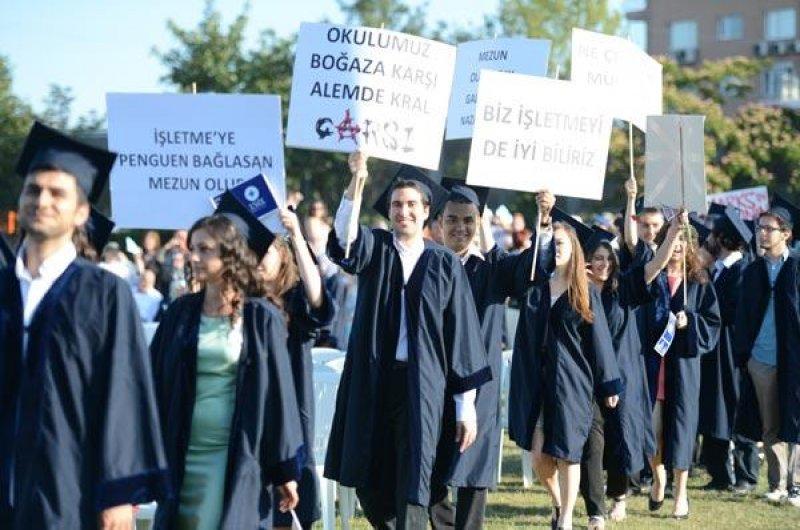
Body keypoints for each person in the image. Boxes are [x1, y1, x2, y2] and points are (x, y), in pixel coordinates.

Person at [0, 121, 169, 529]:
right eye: (33, 190)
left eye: (57, 193)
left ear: (80, 212)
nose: (42, 200)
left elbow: (123, 392)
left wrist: (119, 496)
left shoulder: (104, 293)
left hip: (68, 485)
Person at [324, 153, 491, 530]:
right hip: (373, 382)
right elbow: (344, 237)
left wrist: (465, 408)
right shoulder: (375, 248)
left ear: (427, 210)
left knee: (415, 476)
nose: (404, 212)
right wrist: (357, 181)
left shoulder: (444, 262)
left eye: (412, 205)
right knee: (369, 477)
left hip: (424, 387)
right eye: (397, 205)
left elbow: (462, 335)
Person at [149, 191, 304, 529]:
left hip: (238, 454)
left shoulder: (262, 317)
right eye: (194, 248)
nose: (195, 257)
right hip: (183, 451)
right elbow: (153, 380)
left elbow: (278, 397)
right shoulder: (180, 313)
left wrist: (285, 470)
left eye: (205, 249)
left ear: (230, 255)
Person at [435, 179, 547, 529]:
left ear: (479, 222)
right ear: (439, 223)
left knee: (474, 468)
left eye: (468, 219)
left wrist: (542, 219)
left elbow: (530, 271)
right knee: (431, 466)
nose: (460, 227)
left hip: (479, 383)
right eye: (452, 219)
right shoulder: (426, 265)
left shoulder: (493, 269)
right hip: (434, 379)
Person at [509, 209, 622, 530]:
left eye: (562, 244)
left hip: (572, 383)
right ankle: (559, 505)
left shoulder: (583, 291)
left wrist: (609, 384)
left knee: (569, 453)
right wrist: (542, 218)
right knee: (540, 457)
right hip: (537, 382)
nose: (557, 248)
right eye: (553, 244)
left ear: (574, 249)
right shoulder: (535, 289)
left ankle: (568, 520)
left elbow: (600, 341)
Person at [579, 208, 690, 529]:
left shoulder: (623, 287)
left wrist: (672, 234)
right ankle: (594, 506)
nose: (602, 264)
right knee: (592, 442)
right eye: (596, 258)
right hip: (588, 376)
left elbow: (654, 266)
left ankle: (620, 497)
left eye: (607, 258)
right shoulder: (579, 292)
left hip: (622, 375)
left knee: (621, 438)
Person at [259, 207, 335, 530]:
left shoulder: (295, 300)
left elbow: (319, 300)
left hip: (289, 410)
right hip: (251, 410)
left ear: (283, 255)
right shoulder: (238, 299)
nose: (258, 257)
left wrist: (297, 237)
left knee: (286, 510)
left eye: (267, 249)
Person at [641, 211, 720, 519]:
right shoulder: (653, 277)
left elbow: (713, 324)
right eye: (672, 240)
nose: (676, 247)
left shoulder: (698, 282)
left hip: (683, 366)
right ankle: (659, 477)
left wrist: (692, 322)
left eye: (683, 241)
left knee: (682, 430)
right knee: (653, 429)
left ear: (690, 246)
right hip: (654, 363)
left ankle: (681, 495)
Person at [735, 205, 800, 505]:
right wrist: (746, 357)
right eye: (760, 227)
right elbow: (743, 316)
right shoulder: (753, 271)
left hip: (795, 358)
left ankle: (796, 484)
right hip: (761, 359)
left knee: (797, 421)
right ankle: (777, 484)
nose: (762, 232)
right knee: (770, 424)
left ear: (786, 233)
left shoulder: (797, 266)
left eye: (769, 228)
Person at [697, 206, 753, 491]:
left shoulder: (743, 270)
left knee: (736, 407)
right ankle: (719, 474)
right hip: (715, 350)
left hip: (733, 349)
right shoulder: (719, 269)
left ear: (722, 239)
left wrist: (706, 280)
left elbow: (730, 311)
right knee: (714, 407)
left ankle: (745, 475)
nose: (708, 242)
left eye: (713, 237)